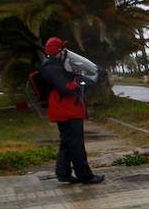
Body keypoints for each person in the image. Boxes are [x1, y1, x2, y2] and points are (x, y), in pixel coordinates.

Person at [39, 37, 103, 184]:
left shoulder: (54, 66)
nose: (64, 53)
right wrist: (79, 81)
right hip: (67, 110)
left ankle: (63, 174)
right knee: (76, 145)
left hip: (64, 110)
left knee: (66, 144)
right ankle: (85, 176)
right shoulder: (53, 68)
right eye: (62, 50)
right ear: (57, 52)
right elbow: (66, 88)